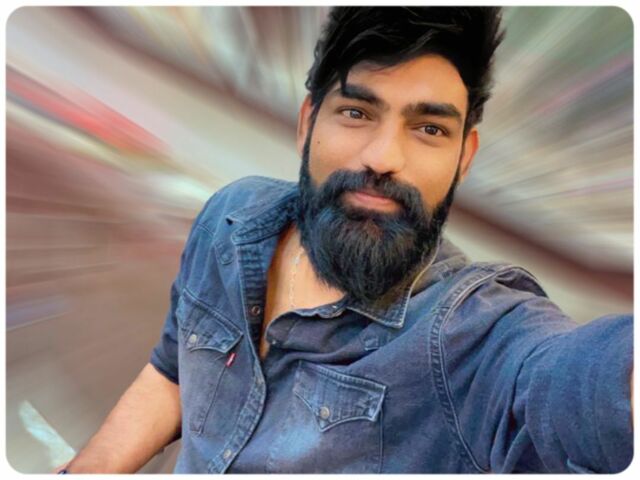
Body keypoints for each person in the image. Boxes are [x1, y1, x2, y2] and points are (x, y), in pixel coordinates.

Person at [57, 6, 633, 474]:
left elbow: (571, 386)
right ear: (307, 122)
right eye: (357, 112)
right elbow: (172, 372)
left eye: (429, 128)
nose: (382, 157)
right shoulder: (230, 219)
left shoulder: (471, 334)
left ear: (464, 157)